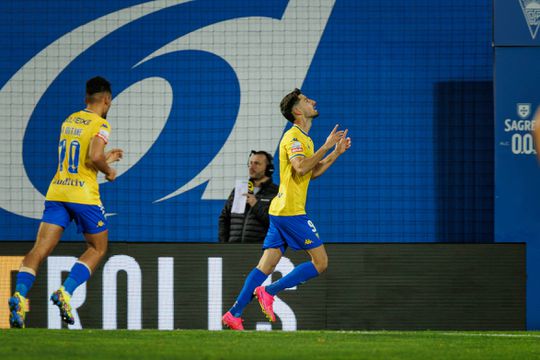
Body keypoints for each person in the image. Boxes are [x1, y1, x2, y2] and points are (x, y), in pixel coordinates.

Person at [222, 88, 352, 330]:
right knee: (320, 262)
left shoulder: (305, 138)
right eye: (305, 100)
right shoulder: (293, 137)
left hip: (281, 210)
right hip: (290, 212)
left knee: (266, 266)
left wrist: (335, 153)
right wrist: (325, 148)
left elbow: (312, 173)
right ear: (296, 111)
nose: (312, 101)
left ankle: (234, 313)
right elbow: (301, 168)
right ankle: (269, 292)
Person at [8, 76, 123, 328]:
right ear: (107, 99)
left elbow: (81, 157)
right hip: (83, 195)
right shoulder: (101, 123)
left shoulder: (70, 120)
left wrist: (106, 159)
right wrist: (108, 170)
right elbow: (93, 157)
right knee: (98, 248)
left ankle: (18, 296)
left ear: (85, 99)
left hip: (58, 191)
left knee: (38, 250)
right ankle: (65, 292)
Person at [219, 151, 279, 243]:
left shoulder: (276, 192)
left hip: (260, 250)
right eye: (250, 163)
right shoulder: (239, 189)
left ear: (268, 169)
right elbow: (224, 218)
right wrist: (224, 244)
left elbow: (277, 222)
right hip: (233, 250)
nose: (251, 167)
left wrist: (255, 205)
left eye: (257, 163)